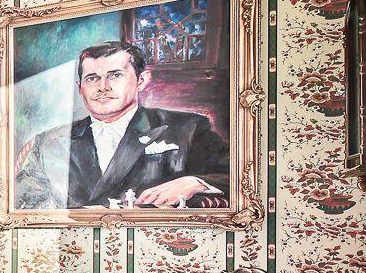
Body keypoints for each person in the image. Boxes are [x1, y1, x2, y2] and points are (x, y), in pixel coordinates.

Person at [13, 39, 228, 209]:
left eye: (115, 75)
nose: (103, 87)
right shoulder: (49, 141)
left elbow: (239, 177)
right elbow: (22, 203)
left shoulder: (187, 128)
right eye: (92, 78)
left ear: (141, 81)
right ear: (80, 88)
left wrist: (195, 182)